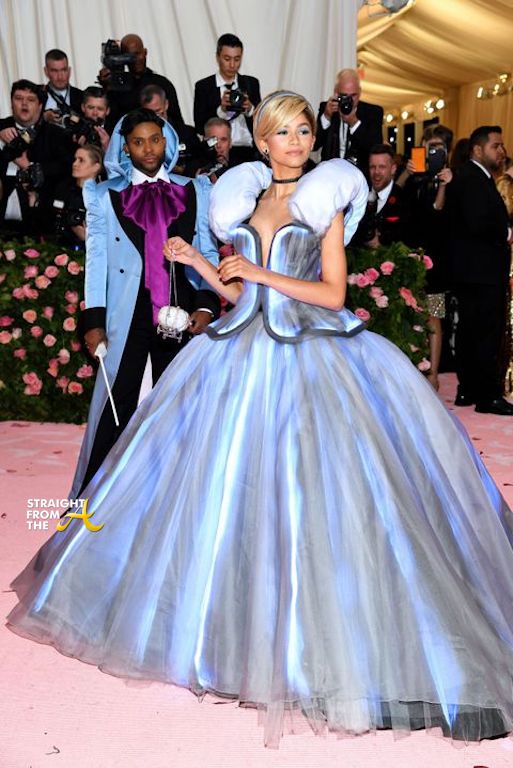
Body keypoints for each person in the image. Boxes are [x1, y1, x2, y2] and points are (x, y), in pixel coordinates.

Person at [7, 92, 513, 749]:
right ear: (264, 141)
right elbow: (241, 293)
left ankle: (333, 641)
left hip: (312, 353)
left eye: (304, 130)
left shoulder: (324, 200)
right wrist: (200, 266)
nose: (297, 141)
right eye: (284, 132)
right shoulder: (242, 202)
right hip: (239, 350)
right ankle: (227, 632)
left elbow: (333, 293)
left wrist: (258, 273)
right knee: (226, 497)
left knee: (318, 498)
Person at [69, 108, 220, 497]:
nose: (148, 149)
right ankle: (92, 500)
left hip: (183, 314)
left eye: (155, 139)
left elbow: (208, 252)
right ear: (125, 147)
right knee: (115, 405)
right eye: (138, 142)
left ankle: (181, 498)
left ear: (166, 141)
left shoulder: (195, 190)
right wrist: (94, 320)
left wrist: (206, 305)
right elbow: (97, 262)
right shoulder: (105, 195)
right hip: (128, 313)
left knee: (183, 407)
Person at [449, 125, 513, 414]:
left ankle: (469, 389)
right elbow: (478, 223)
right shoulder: (473, 178)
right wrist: (506, 233)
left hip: (471, 271)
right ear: (477, 149)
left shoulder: (472, 176)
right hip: (482, 271)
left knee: (470, 330)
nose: (501, 151)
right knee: (485, 333)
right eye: (495, 146)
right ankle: (487, 396)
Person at [399, 125, 454, 391]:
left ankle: (433, 374)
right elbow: (394, 198)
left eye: (438, 148)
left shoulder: (451, 180)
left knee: (435, 316)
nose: (433, 153)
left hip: (436, 262)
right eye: (429, 147)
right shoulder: (412, 178)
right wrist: (406, 174)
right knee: (408, 314)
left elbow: (438, 210)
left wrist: (444, 184)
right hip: (409, 257)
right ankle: (410, 371)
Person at [0, 79, 73, 237]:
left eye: (31, 100)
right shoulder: (1, 128)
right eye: (18, 98)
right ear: (11, 103)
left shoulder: (57, 135)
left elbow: (65, 168)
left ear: (40, 106)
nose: (24, 104)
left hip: (39, 222)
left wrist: (31, 167)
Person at [193, 33, 261, 163]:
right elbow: (200, 126)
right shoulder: (204, 86)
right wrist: (221, 111)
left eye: (237, 59)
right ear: (217, 57)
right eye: (227, 59)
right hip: (216, 151)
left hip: (247, 150)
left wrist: (250, 109)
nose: (232, 65)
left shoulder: (251, 84)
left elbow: (262, 122)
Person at [100, 34, 184, 132]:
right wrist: (107, 88)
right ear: (122, 58)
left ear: (145, 52)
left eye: (137, 54)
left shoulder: (162, 84)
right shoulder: (117, 88)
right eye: (129, 56)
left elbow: (177, 123)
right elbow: (111, 126)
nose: (134, 59)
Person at [315, 68, 383, 175]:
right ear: (336, 92)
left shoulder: (373, 112)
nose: (349, 100)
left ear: (360, 92)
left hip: (360, 176)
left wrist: (354, 123)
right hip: (330, 175)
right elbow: (314, 145)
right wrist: (326, 117)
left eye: (353, 95)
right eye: (344, 95)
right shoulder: (327, 108)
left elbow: (375, 150)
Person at [351, 143, 405, 247]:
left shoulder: (405, 199)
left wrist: (381, 244)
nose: (376, 172)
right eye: (372, 167)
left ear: (393, 169)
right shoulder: (358, 196)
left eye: (382, 167)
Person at [53, 144, 104, 245]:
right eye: (75, 159)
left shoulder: (103, 196)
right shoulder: (63, 188)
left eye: (81, 160)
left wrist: (88, 238)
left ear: (96, 167)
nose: (75, 164)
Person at [42, 48, 83, 123]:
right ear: (46, 72)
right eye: (54, 71)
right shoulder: (37, 96)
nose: (60, 76)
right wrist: (43, 118)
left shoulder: (82, 97)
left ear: (69, 71)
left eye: (64, 70)